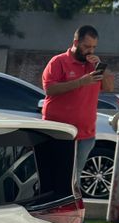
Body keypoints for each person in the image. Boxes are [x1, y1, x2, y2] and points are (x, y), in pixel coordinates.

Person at [41, 24, 114, 180]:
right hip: (59, 132)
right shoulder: (58, 62)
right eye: (87, 46)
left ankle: (71, 205)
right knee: (56, 174)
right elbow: (50, 89)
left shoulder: (93, 66)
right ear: (75, 43)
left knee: (75, 177)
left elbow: (108, 88)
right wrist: (80, 82)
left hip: (85, 134)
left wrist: (101, 67)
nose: (91, 51)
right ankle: (56, 204)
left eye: (94, 47)